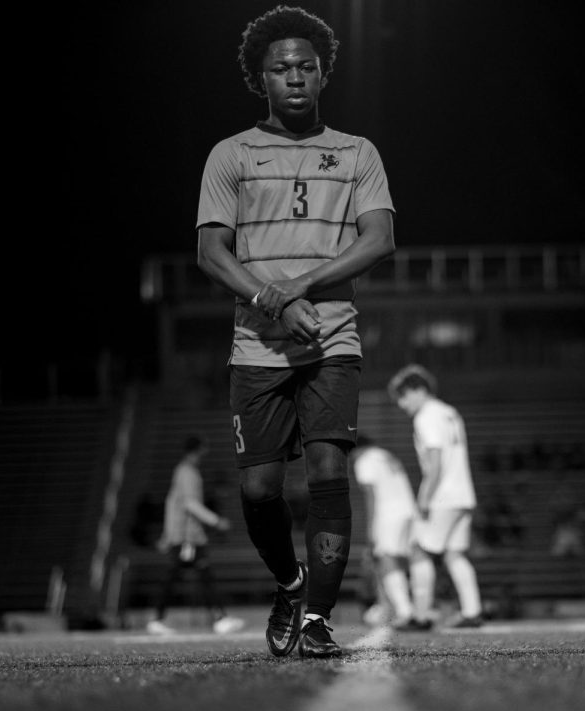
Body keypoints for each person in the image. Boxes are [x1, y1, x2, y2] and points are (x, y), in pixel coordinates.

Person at [194, 5, 396, 658]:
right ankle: (289, 582)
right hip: (257, 347)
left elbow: (380, 240)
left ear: (323, 73)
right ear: (261, 78)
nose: (296, 77)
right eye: (281, 68)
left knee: (329, 467)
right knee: (258, 490)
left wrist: (299, 289)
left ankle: (316, 618)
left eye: (307, 66)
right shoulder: (230, 155)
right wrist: (268, 300)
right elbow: (210, 252)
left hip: (332, 341)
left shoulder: (357, 153)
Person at [388, 364, 484, 629]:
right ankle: (472, 611)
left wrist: (424, 498)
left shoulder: (426, 416)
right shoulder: (449, 412)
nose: (401, 404)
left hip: (443, 496)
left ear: (419, 390)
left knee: (419, 551)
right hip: (463, 494)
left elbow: (435, 461)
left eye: (403, 396)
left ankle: (420, 616)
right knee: (455, 554)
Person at [149, 436, 245, 636]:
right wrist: (216, 521)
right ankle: (218, 619)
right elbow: (189, 504)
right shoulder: (188, 473)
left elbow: (172, 502)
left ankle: (160, 619)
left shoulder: (182, 471)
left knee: (189, 576)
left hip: (185, 535)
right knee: (193, 576)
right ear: (198, 450)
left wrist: (167, 535)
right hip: (188, 537)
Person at [350, 434, 418, 629]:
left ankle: (405, 611)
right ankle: (395, 607)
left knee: (385, 559)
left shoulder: (364, 460)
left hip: (389, 513)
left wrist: (371, 528)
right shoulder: (384, 454)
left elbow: (371, 496)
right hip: (408, 510)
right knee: (400, 561)